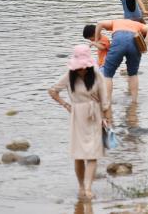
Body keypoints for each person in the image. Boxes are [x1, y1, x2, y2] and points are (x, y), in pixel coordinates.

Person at [48, 45, 112, 201]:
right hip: (77, 116)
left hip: (95, 115)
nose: (81, 70)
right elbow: (53, 91)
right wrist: (66, 105)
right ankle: (81, 187)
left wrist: (108, 120)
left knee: (92, 154)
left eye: (84, 68)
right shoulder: (69, 76)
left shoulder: (97, 76)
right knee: (78, 155)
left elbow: (105, 101)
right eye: (79, 68)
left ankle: (88, 188)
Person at [95, 18, 148, 103]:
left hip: (118, 41)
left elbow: (99, 23)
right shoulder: (138, 25)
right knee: (133, 74)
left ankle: (108, 102)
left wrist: (97, 41)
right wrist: (145, 44)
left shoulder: (115, 21)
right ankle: (134, 102)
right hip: (134, 42)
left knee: (107, 74)